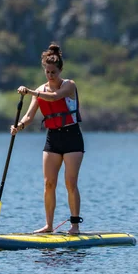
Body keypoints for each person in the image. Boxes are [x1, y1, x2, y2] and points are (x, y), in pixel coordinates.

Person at [10, 42, 85, 234]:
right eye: (47, 72)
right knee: (49, 183)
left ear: (60, 70)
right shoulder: (40, 89)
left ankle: (75, 225)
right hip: (53, 138)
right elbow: (29, 116)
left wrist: (30, 92)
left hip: (72, 138)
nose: (50, 75)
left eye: (53, 72)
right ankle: (49, 226)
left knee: (70, 182)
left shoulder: (69, 85)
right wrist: (18, 126)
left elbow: (54, 98)